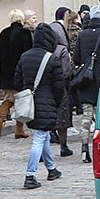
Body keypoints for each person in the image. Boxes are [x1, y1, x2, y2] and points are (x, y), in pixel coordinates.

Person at [15, 22, 64, 189]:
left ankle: (52, 169)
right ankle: (30, 175)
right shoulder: (52, 59)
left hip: (30, 103)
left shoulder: (24, 56)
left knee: (44, 135)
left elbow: (17, 81)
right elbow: (59, 86)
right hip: (47, 102)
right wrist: (56, 104)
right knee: (39, 138)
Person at [72, 4, 100, 163]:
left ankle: (84, 148)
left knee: (86, 116)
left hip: (86, 79)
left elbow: (76, 58)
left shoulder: (83, 35)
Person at [0, 9, 30, 139]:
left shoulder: (3, 33)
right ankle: (19, 129)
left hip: (5, 71)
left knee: (8, 99)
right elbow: (27, 54)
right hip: (18, 71)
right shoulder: (25, 33)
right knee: (20, 100)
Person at [50, 6, 75, 156]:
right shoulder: (62, 50)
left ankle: (42, 150)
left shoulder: (38, 52)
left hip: (43, 89)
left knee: (44, 119)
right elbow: (66, 71)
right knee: (63, 117)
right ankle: (63, 146)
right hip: (60, 86)